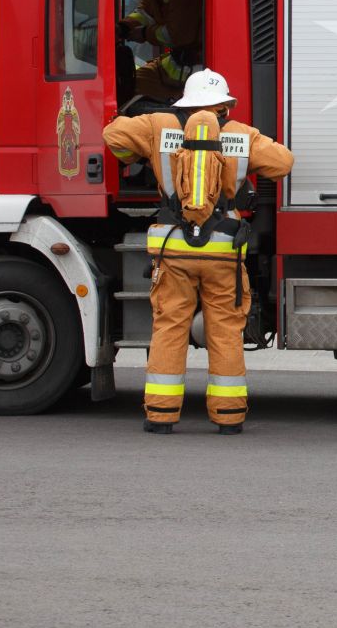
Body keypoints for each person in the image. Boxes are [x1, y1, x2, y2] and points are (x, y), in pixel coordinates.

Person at [104, 69, 294, 435]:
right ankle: (229, 416)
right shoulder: (240, 134)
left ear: (186, 103)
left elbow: (113, 137)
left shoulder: (158, 125)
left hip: (173, 249)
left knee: (170, 326)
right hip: (223, 250)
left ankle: (160, 414)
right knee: (224, 330)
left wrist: (141, 154)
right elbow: (283, 163)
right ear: (224, 105)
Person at [119, 0, 204, 102]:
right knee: (128, 85)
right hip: (177, 64)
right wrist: (124, 27)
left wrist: (143, 34)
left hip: (194, 70)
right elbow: (145, 12)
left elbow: (178, 35)